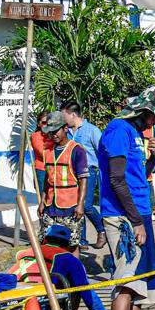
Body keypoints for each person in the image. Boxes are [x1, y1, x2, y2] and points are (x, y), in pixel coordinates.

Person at [97, 86, 155, 310]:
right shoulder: (118, 131)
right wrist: (135, 220)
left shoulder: (136, 135)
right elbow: (115, 178)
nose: (154, 121)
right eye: (153, 115)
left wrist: (153, 158)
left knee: (140, 280)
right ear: (144, 111)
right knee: (126, 282)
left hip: (139, 212)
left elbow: (138, 174)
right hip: (124, 217)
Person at [7, 224, 109, 310]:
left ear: (45, 240)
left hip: (11, 298)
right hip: (39, 300)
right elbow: (87, 293)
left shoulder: (27, 252)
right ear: (69, 245)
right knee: (76, 290)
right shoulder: (69, 259)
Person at [38, 114, 89, 254]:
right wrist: (42, 201)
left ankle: (73, 273)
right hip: (50, 206)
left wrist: (80, 205)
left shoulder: (77, 150)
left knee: (72, 244)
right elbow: (47, 179)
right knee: (47, 242)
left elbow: (83, 180)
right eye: (51, 131)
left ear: (65, 128)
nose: (53, 134)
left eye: (56, 131)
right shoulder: (47, 150)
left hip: (70, 207)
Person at [61, 100, 107, 249]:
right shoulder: (66, 132)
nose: (63, 119)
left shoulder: (91, 130)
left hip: (89, 172)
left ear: (73, 114)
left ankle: (102, 230)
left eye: (64, 115)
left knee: (86, 205)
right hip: (72, 173)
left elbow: (103, 152)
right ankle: (82, 239)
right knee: (76, 206)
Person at [30, 110, 51, 197]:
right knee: (44, 197)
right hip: (42, 170)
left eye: (49, 123)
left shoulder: (55, 134)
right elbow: (43, 153)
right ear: (39, 124)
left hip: (55, 170)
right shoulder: (36, 136)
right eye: (44, 122)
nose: (46, 125)